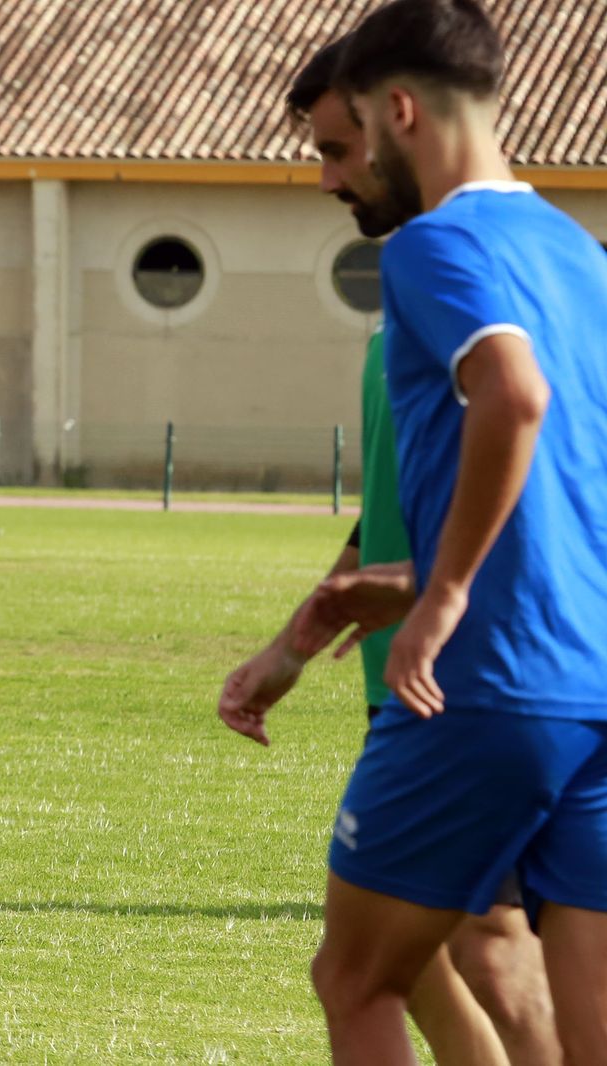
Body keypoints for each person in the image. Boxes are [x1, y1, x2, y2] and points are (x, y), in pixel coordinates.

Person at [273, 2, 607, 1061]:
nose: (339, 172)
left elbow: (512, 398)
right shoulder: (578, 253)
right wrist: (416, 575)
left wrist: (445, 596)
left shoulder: (431, 244)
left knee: (359, 976)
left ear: (400, 109)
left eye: (355, 134)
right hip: (595, 681)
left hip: (483, 685)